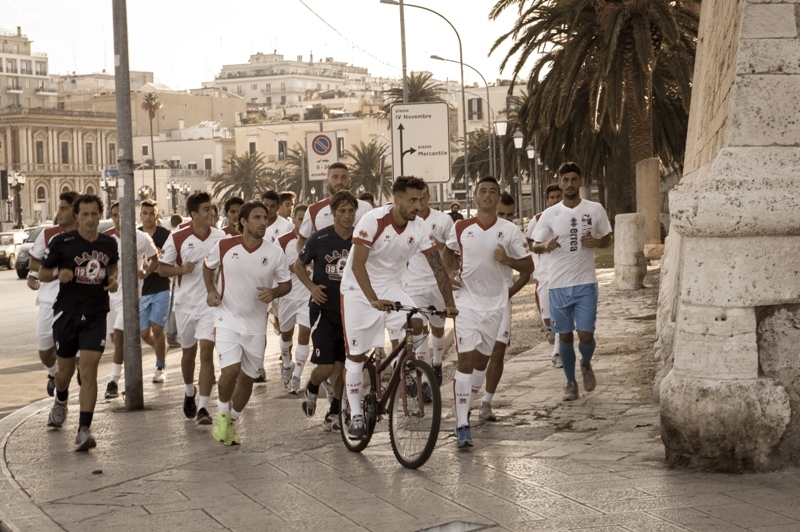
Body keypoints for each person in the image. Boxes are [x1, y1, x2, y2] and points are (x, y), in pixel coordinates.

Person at [341, 176, 457, 439]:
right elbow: (358, 264)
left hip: (390, 287)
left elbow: (437, 266)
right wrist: (372, 299)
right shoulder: (373, 220)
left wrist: (449, 304)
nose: (418, 205)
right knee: (356, 356)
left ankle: (408, 368)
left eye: (421, 199)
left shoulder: (419, 227)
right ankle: (357, 413)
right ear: (397, 199)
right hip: (357, 291)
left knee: (417, 323)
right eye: (412, 200)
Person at [443, 177, 533, 448]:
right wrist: (449, 273)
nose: (487, 195)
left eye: (493, 192)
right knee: (465, 362)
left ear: (497, 198)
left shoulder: (510, 231)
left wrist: (509, 261)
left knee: (482, 362)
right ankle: (461, 424)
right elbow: (447, 253)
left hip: (495, 305)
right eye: (483, 191)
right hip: (466, 302)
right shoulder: (461, 227)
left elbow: (528, 266)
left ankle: (468, 404)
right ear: (475, 198)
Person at [203, 201, 292, 445]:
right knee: (229, 371)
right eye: (257, 218)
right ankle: (222, 415)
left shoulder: (274, 252)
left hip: (255, 325)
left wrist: (274, 293)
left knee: (247, 379)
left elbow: (286, 284)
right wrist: (211, 290)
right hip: (226, 318)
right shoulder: (223, 246)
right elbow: (207, 268)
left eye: (265, 217)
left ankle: (231, 420)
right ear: (243, 221)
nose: (263, 222)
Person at [39, 194, 119, 451]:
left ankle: (84, 430)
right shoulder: (62, 242)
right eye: (84, 214)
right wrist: (57, 274)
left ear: (100, 215)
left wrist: (114, 279)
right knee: (65, 373)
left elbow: (113, 267)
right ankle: (60, 400)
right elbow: (41, 272)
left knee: (89, 369)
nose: (90, 219)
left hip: (96, 313)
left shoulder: (108, 244)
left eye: (94, 214)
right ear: (77, 216)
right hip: (67, 314)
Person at [531, 162, 612, 401]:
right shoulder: (550, 214)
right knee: (565, 336)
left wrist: (596, 242)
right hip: (558, 286)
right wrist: (545, 246)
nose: (569, 184)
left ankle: (585, 363)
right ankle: (570, 382)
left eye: (573, 179)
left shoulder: (595, 209)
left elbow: (607, 238)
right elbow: (534, 245)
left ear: (580, 182)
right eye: (565, 180)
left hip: (586, 282)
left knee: (586, 335)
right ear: (560, 182)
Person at [158, 192, 225, 425]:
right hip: (185, 305)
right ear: (193, 214)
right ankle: (189, 392)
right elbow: (161, 269)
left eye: (212, 208)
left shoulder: (221, 237)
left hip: (210, 304)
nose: (211, 213)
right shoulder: (177, 238)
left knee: (207, 353)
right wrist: (181, 270)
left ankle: (204, 408)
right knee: (189, 354)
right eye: (206, 209)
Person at [295, 192, 356, 429]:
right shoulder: (319, 238)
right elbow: (298, 265)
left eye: (351, 211)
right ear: (333, 213)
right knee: (327, 366)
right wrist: (311, 287)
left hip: (350, 310)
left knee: (345, 366)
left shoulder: (361, 240)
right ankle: (312, 386)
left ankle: (334, 412)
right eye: (342, 211)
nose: (347, 216)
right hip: (323, 309)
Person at [477, 192, 533, 422]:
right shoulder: (472, 231)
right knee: (474, 356)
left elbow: (527, 271)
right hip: (474, 302)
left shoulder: (513, 236)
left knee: (498, 350)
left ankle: (486, 402)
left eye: (510, 215)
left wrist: (507, 293)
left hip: (501, 304)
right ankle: (466, 398)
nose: (506, 218)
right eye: (502, 214)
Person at [102, 202, 158, 399]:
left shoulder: (141, 238)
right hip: (107, 296)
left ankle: (113, 382)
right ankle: (128, 371)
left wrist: (145, 271)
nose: (118, 219)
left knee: (119, 338)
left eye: (122, 215)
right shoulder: (105, 238)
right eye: (115, 215)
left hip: (129, 296)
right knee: (114, 339)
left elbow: (155, 259)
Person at [401, 182, 454, 385]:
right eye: (415, 198)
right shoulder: (405, 222)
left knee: (438, 328)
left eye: (423, 196)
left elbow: (451, 250)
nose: (420, 201)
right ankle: (424, 380)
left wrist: (436, 244)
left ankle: (437, 363)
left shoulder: (443, 220)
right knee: (419, 329)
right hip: (413, 285)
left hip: (436, 284)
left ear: (428, 196)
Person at [27, 190, 79, 396]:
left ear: (75, 212)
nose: (58, 212)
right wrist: (54, 272)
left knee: (78, 356)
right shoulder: (49, 234)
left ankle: (63, 395)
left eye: (63, 208)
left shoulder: (90, 236)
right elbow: (33, 262)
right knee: (46, 354)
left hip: (78, 303)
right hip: (49, 301)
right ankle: (53, 373)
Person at [526, 183, 564, 367]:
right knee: (548, 317)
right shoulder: (538, 219)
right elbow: (529, 243)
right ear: (547, 199)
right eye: (552, 197)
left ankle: (558, 352)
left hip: (563, 273)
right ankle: (551, 329)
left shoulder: (569, 217)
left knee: (560, 314)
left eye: (559, 196)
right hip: (543, 274)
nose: (555, 200)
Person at [295, 162, 372, 252]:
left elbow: (374, 239)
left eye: (343, 177)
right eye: (335, 177)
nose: (339, 182)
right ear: (326, 181)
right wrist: (306, 261)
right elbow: (301, 241)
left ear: (349, 181)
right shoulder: (313, 210)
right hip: (324, 265)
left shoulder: (366, 208)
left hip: (355, 264)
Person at [276, 204, 312, 393]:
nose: (302, 222)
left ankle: (297, 377)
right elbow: (274, 266)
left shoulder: (317, 239)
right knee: (286, 335)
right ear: (294, 219)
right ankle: (287, 364)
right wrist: (290, 268)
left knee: (305, 336)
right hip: (288, 296)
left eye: (305, 219)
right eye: (299, 218)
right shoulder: (282, 241)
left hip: (308, 296)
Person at [138, 199, 173, 382]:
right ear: (140, 215)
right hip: (141, 291)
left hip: (161, 287)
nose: (148, 217)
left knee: (158, 329)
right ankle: (162, 348)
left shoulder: (165, 235)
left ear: (157, 215)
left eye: (152, 213)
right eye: (145, 213)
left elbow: (171, 258)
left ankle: (160, 367)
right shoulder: (136, 236)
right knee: (144, 333)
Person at [165, 213, 184, 348]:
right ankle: (171, 334)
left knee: (174, 303)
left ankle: (172, 333)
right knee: (175, 304)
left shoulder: (173, 233)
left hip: (177, 273)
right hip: (179, 273)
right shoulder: (178, 234)